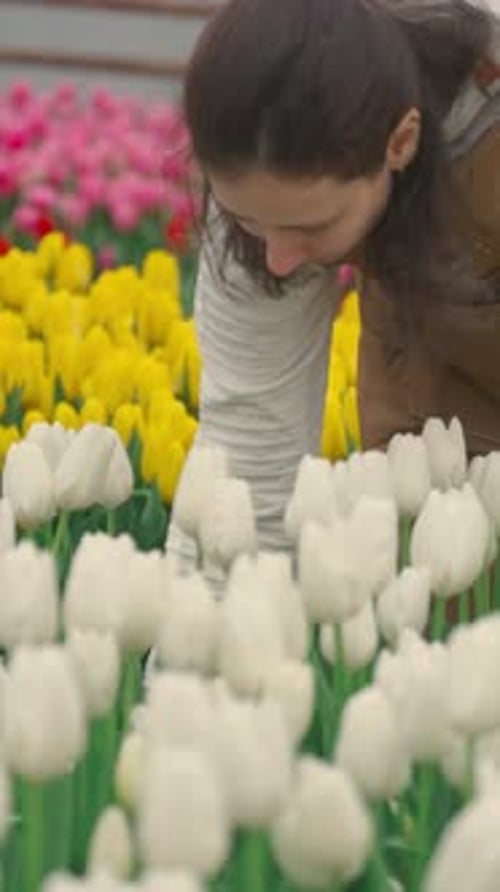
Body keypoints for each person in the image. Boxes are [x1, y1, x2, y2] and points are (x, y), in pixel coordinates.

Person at [167, 0, 500, 563]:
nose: (277, 257)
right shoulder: (260, 162)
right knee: (444, 564)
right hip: (434, 342)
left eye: (312, 227)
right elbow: (252, 457)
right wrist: (202, 640)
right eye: (249, 221)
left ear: (400, 143)